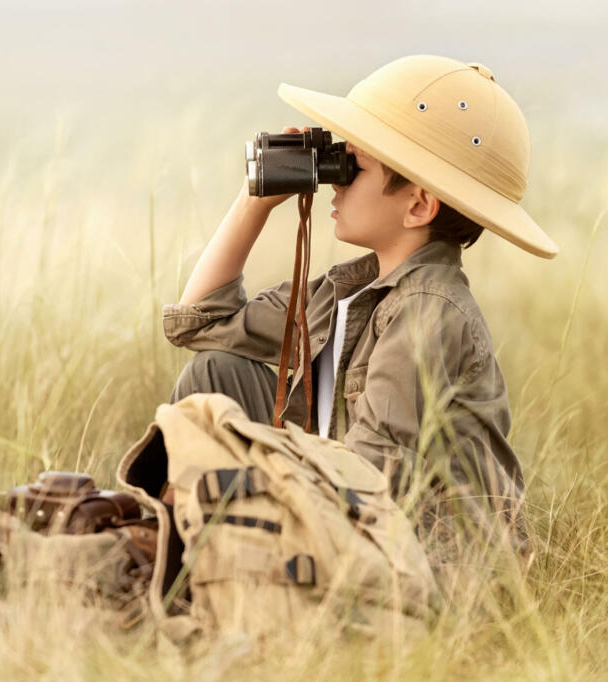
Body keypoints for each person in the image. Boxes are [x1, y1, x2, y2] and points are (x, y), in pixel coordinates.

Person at [161, 55, 558, 562]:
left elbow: (367, 477)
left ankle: (194, 562)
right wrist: (254, 199)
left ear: (418, 206)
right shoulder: (352, 289)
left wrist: (253, 498)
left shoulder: (428, 312)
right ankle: (183, 558)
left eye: (355, 165)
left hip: (425, 564)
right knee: (214, 374)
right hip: (357, 521)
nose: (335, 179)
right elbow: (203, 323)